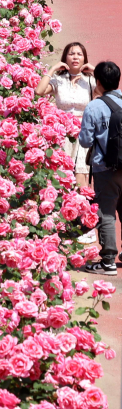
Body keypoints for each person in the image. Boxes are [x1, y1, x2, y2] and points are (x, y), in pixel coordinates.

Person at [78, 60, 122, 275]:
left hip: (105, 168)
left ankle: (108, 262)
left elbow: (85, 141)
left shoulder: (94, 106)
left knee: (107, 212)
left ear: (97, 82)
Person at [37, 42, 97, 192]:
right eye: (71, 54)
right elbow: (39, 91)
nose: (75, 57)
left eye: (79, 54)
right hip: (62, 134)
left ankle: (82, 211)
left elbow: (109, 91)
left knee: (81, 177)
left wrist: (96, 71)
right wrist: (52, 69)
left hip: (83, 134)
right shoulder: (59, 80)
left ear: (85, 59)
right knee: (61, 176)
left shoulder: (90, 81)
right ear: (65, 58)